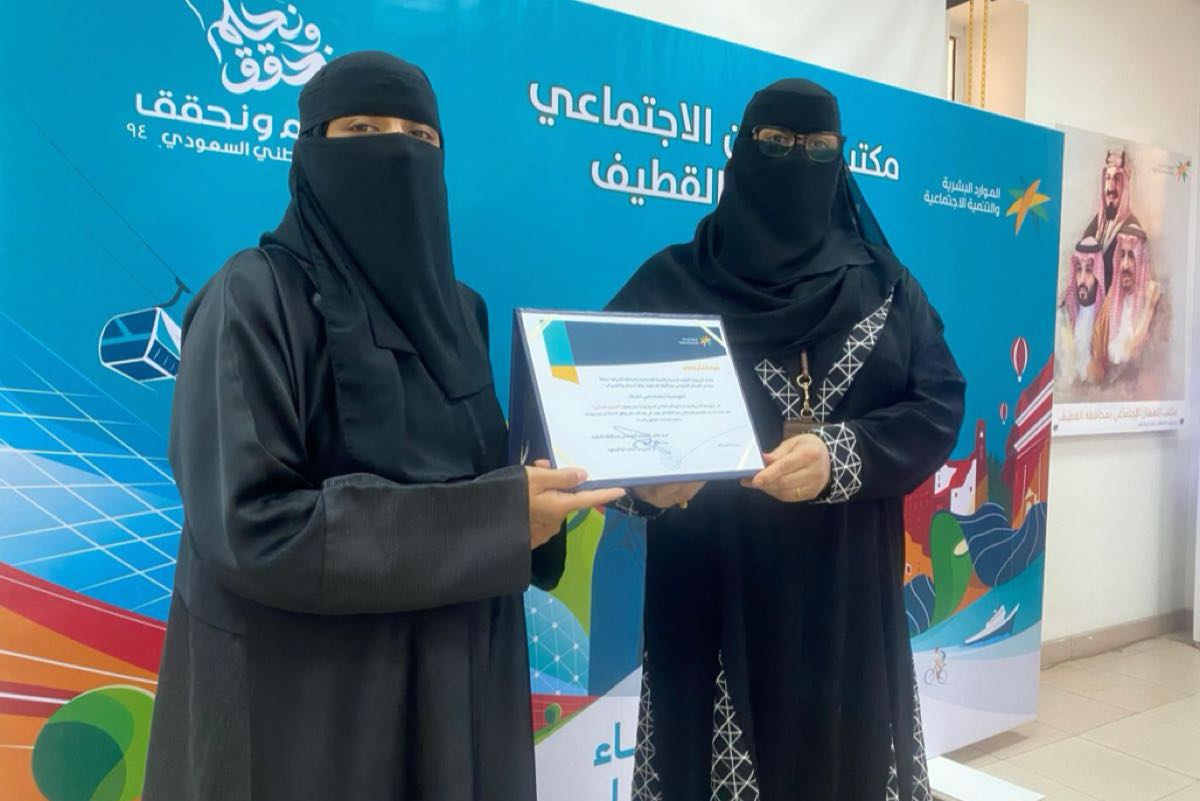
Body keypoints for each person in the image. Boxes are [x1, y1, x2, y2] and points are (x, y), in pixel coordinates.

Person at [142, 51, 623, 801]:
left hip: (452, 700)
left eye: (420, 137)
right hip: (308, 716)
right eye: (363, 129)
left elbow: (493, 486)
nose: (397, 153)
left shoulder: (459, 311)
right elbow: (252, 528)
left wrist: (597, 492)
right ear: (310, 149)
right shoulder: (253, 297)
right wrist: (496, 519)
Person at [608, 79, 965, 801]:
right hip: (709, 591)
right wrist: (644, 486)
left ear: (841, 160)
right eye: (775, 143)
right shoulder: (670, 284)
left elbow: (938, 404)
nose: (796, 160)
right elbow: (600, 422)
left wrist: (844, 455)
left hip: (845, 595)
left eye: (818, 147)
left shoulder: (887, 288)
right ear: (741, 151)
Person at [1088, 221, 1163, 384]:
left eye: (1132, 256)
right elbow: (1096, 358)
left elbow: (1131, 354)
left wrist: (1149, 309)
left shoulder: (1151, 301)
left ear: (1142, 261)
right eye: (1122, 255)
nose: (1124, 265)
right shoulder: (1111, 300)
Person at [1082, 149, 1140, 292]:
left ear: (1125, 188)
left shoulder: (1132, 228)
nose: (1110, 187)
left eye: (1117, 179)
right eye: (1108, 178)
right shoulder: (1099, 222)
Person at [1056, 237, 1106, 384]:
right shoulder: (1064, 315)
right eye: (1079, 269)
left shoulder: (1106, 319)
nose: (1082, 279)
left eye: (1089, 270)